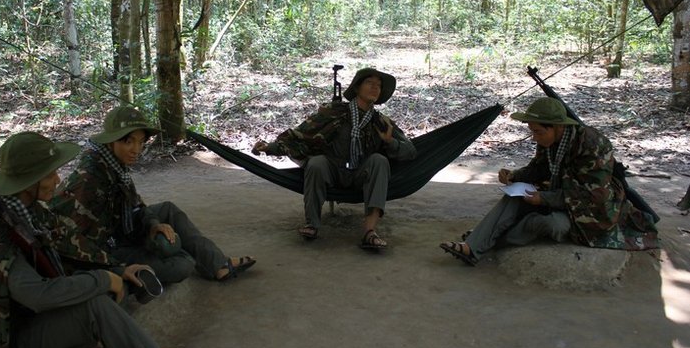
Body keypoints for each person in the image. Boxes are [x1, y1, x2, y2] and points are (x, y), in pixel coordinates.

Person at [0, 131, 211, 348]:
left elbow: (71, 245)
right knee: (96, 302)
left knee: (116, 288)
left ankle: (86, 347)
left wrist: (118, 270)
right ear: (29, 182)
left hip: (26, 319)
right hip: (1, 342)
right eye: (50, 174)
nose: (58, 180)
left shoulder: (28, 211)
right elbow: (36, 295)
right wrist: (104, 280)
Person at [439, 97, 660, 266]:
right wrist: (515, 176)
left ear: (557, 127)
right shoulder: (550, 142)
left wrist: (544, 198)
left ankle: (488, 238)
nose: (534, 137)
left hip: (591, 211)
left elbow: (593, 197)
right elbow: (539, 169)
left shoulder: (593, 145)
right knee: (514, 197)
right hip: (558, 194)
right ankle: (472, 248)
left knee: (553, 225)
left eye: (538, 132)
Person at [50, 105, 255, 284]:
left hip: (120, 226)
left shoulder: (113, 164)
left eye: (141, 142)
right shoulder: (89, 179)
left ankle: (219, 265)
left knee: (167, 210)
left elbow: (135, 204)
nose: (136, 149)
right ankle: (178, 258)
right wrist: (116, 269)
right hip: (105, 247)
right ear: (112, 141)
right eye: (129, 142)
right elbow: (69, 240)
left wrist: (154, 225)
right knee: (181, 263)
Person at [252, 67, 416, 249]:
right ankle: (312, 224)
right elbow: (301, 135)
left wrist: (389, 141)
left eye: (378, 85)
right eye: (369, 83)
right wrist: (269, 147)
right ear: (356, 88)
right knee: (316, 163)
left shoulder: (382, 122)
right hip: (333, 170)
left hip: (361, 175)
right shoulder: (333, 112)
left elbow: (410, 151)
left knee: (380, 161)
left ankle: (370, 231)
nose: (375, 88)